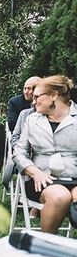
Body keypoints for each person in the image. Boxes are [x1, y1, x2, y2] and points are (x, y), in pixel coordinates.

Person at [12, 75, 77, 233]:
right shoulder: (31, 119)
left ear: (54, 95)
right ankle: (45, 246)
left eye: (37, 97)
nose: (33, 102)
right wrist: (34, 172)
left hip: (74, 177)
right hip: (41, 180)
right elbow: (19, 152)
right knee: (60, 196)